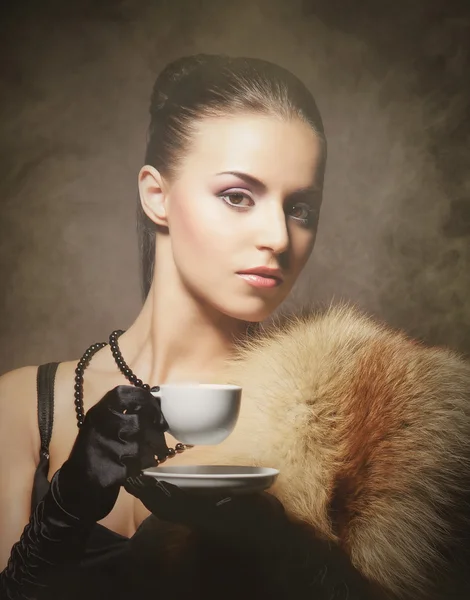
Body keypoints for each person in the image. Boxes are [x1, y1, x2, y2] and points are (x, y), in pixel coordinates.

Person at [1, 53, 470, 600]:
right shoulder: (22, 408)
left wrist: (278, 547)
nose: (277, 235)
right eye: (238, 196)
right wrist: (66, 507)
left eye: (301, 209)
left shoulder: (366, 412)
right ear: (157, 195)